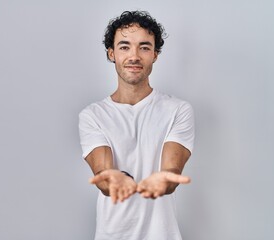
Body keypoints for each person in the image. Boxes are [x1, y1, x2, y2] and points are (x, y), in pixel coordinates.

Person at [78, 10, 195, 240]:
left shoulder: (178, 110)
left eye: (144, 47)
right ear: (111, 53)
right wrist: (111, 177)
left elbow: (171, 171)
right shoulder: (93, 115)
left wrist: (165, 179)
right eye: (124, 47)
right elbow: (103, 172)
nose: (134, 56)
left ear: (155, 54)